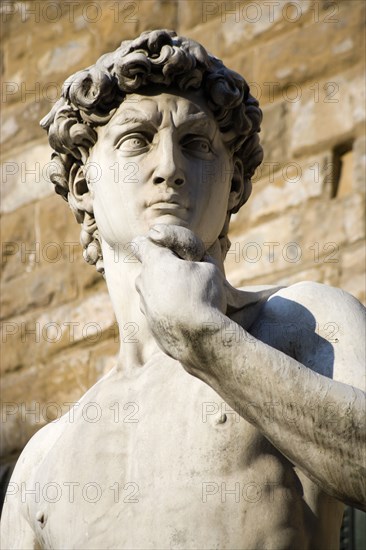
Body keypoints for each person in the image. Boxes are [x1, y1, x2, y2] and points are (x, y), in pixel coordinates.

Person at [1, 29, 365, 550]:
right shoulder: (42, 464)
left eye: (195, 144)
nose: (169, 168)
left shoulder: (303, 324)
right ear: (83, 184)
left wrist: (208, 342)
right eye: (136, 141)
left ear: (235, 182)